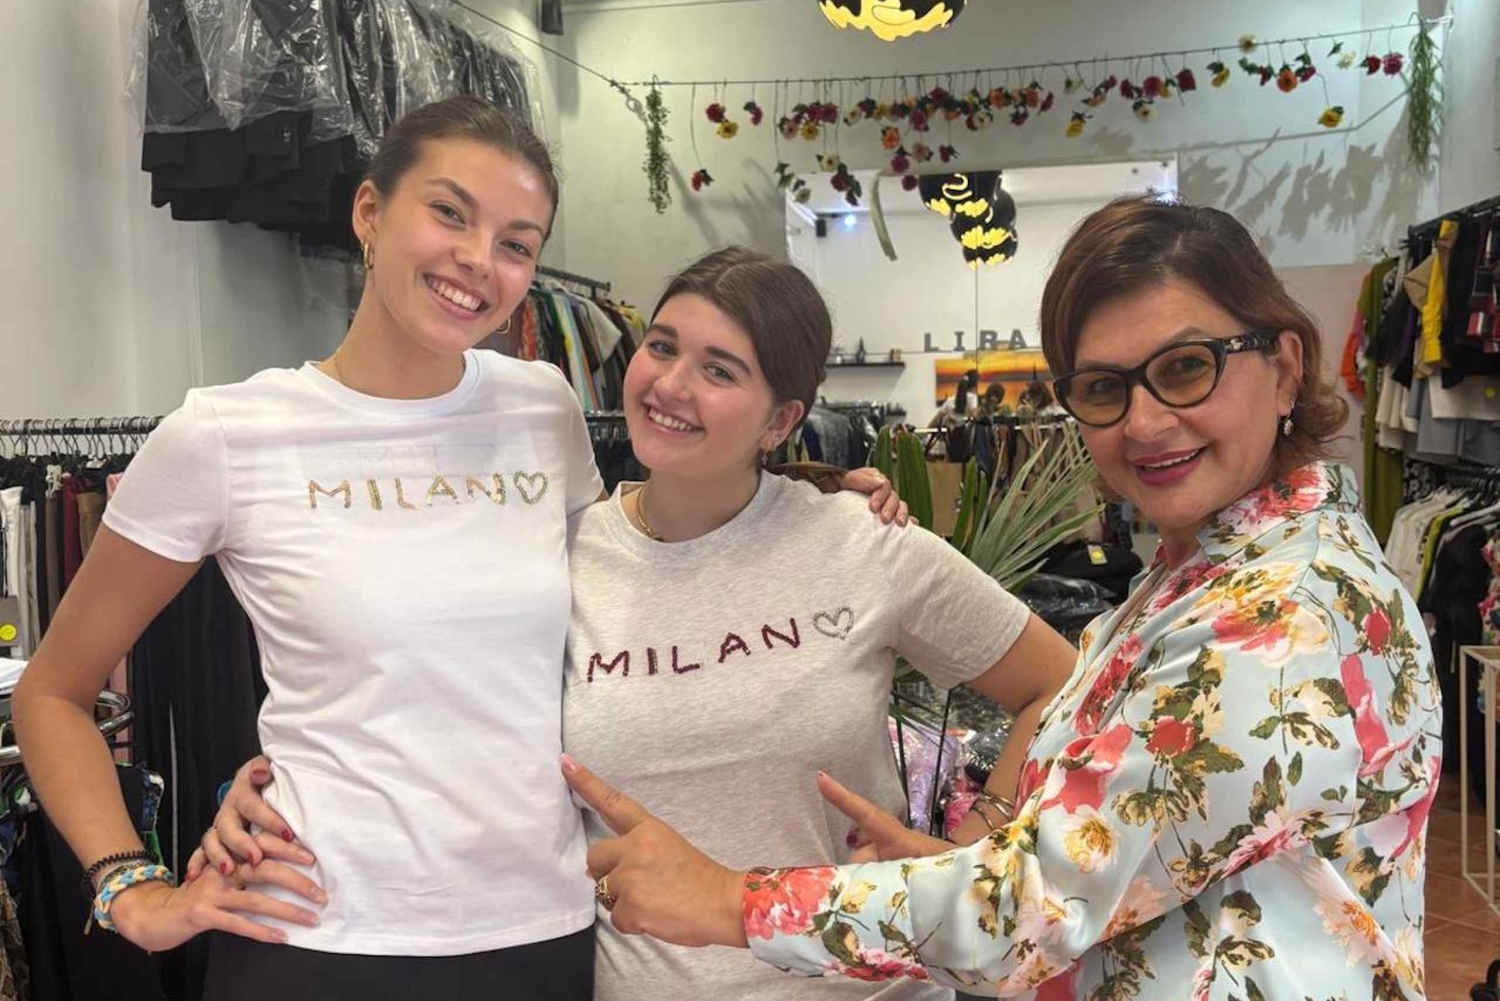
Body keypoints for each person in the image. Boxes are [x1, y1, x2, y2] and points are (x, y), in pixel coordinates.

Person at [11, 98, 899, 1000]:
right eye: (449, 213)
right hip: (315, 935)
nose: (479, 260)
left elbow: (638, 565)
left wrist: (798, 500)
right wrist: (131, 887)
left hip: (543, 932)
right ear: (369, 212)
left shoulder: (541, 405)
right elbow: (53, 692)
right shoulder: (228, 435)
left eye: (517, 243)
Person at [555, 197, 1444, 1000]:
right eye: (1102, 388)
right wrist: (976, 855)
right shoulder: (1199, 575)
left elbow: (1037, 905)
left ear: (1284, 367)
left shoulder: (1280, 618)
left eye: (1186, 367)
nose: (1143, 422)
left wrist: (728, 897)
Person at [198, 246, 1081, 1001]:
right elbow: (421, 707)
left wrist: (976, 846)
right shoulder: (553, 554)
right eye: (662, 346)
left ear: (781, 419)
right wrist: (278, 788)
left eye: (720, 370)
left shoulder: (860, 543)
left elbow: (1061, 686)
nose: (669, 384)